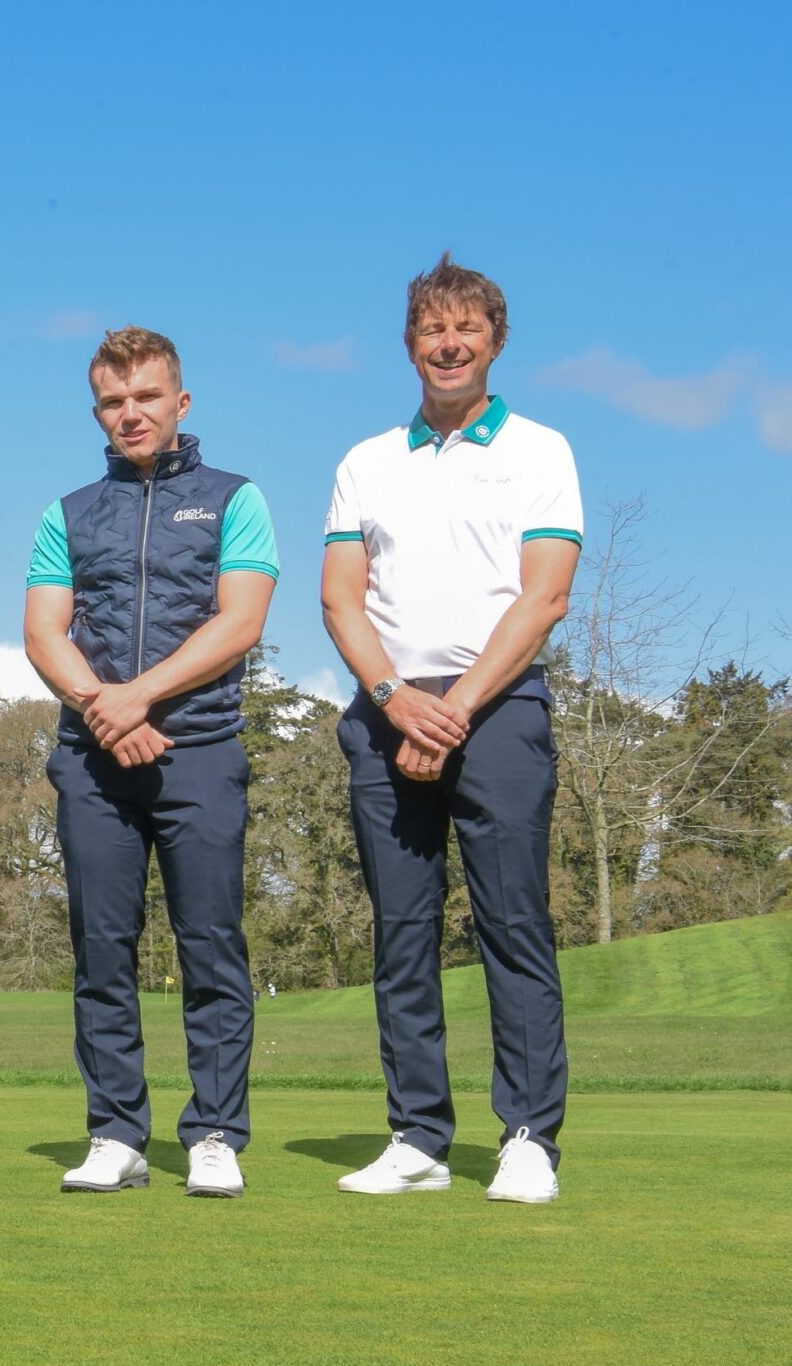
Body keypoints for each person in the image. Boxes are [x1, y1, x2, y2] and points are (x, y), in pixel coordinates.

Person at [322, 254, 580, 1204]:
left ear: (496, 342)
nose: (450, 343)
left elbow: (543, 597)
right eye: (433, 328)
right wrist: (397, 701)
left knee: (513, 924)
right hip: (388, 713)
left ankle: (528, 1138)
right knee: (402, 933)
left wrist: (456, 709)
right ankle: (419, 1137)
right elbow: (341, 601)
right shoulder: (365, 461)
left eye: (468, 328)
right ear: (410, 344)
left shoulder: (541, 450)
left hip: (499, 708)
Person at [22, 326, 277, 1199]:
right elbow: (43, 633)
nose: (129, 414)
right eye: (112, 401)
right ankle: (115, 1134)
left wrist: (139, 696)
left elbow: (240, 622)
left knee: (211, 946)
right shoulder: (67, 512)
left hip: (200, 750)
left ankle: (215, 1133)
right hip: (93, 760)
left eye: (146, 397)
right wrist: (105, 708)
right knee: (102, 951)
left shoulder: (235, 498)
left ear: (181, 402)